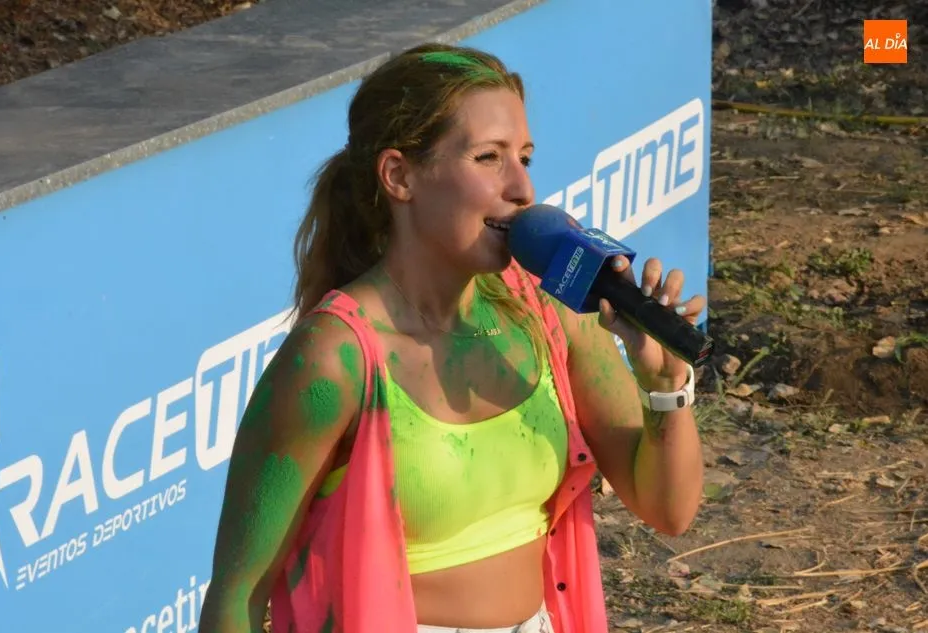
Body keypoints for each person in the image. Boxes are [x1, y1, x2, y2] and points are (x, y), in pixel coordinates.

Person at [198, 42, 705, 633]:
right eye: (489, 157)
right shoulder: (334, 358)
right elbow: (237, 597)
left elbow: (668, 511)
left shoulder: (547, 310)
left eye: (525, 157)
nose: (522, 188)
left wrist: (665, 388)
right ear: (399, 176)